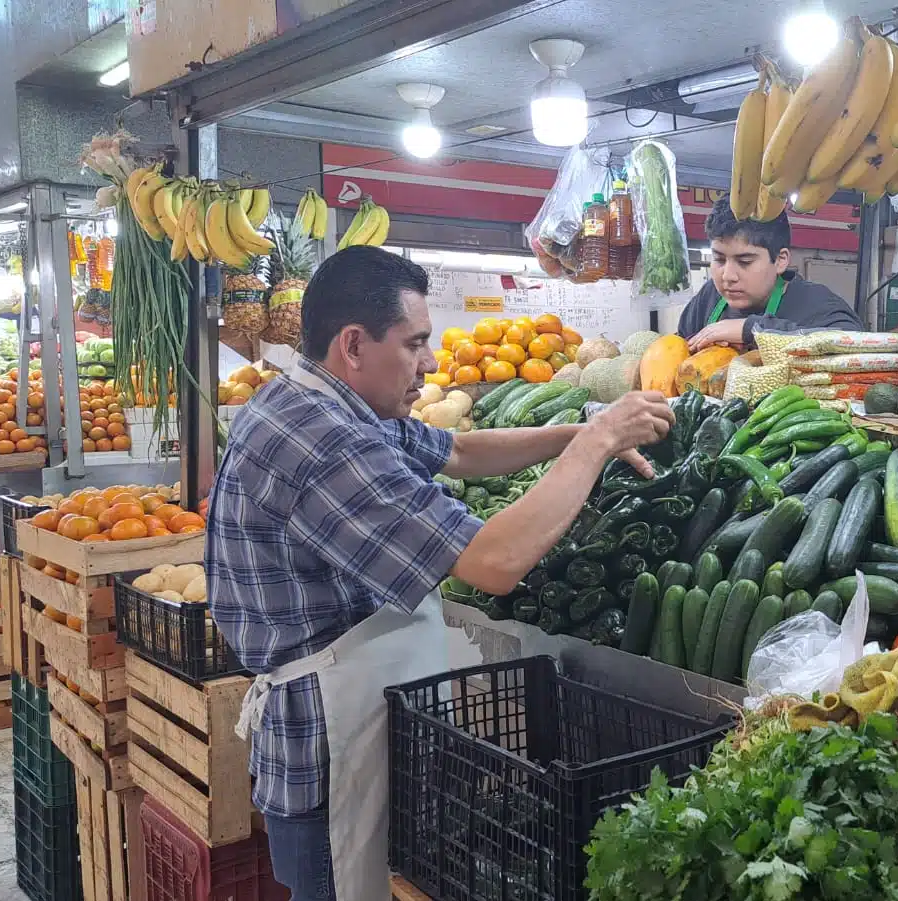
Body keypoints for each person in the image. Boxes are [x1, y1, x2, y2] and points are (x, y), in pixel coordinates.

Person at [205, 246, 674, 901]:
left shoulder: (330, 403)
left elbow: (458, 449)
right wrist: (596, 445)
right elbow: (495, 562)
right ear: (353, 345)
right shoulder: (322, 436)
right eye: (415, 342)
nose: (429, 361)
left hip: (356, 725)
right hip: (328, 750)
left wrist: (583, 430)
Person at [677, 197, 864, 352]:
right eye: (719, 259)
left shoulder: (817, 304)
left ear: (781, 260)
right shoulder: (709, 297)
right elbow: (676, 350)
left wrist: (752, 329)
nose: (727, 276)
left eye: (745, 262)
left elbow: (855, 343)